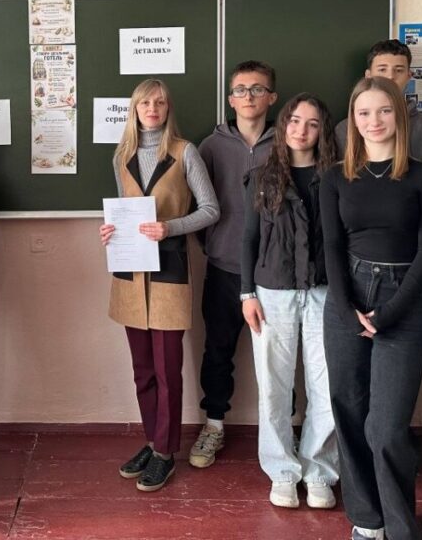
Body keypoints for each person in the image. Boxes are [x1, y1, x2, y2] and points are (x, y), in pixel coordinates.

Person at [320, 76, 422, 540]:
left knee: (388, 426)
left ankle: (400, 528)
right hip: (347, 297)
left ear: (400, 116)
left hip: (402, 299)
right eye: (364, 112)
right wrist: (345, 307)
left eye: (384, 111)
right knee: (349, 412)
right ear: (352, 120)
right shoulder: (335, 177)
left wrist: (389, 313)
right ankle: (367, 521)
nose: (375, 121)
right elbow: (332, 245)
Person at [99, 79, 220, 492]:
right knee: (143, 371)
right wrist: (110, 230)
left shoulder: (185, 152)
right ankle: (153, 442)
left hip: (170, 271)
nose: (152, 108)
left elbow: (211, 210)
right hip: (130, 274)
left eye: (160, 102)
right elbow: (123, 212)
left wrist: (170, 227)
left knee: (168, 371)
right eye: (145, 102)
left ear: (168, 109)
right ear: (134, 109)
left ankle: (166, 453)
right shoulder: (122, 156)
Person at [241, 93, 340, 510]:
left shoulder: (337, 177)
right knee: (273, 387)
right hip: (272, 293)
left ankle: (319, 471)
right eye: (295, 121)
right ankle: (281, 471)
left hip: (324, 292)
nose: (302, 130)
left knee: (327, 386)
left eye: (312, 124)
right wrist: (247, 293)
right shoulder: (262, 176)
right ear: (284, 125)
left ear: (322, 131)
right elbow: (249, 238)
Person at [189, 61, 278, 468]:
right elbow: (197, 207)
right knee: (218, 350)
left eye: (258, 89)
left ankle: (283, 430)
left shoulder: (287, 142)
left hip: (274, 272)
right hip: (224, 269)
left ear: (271, 97)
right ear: (230, 99)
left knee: (277, 358)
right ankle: (214, 424)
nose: (249, 96)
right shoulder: (210, 147)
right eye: (241, 90)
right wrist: (214, 246)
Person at [335, 39, 422, 161]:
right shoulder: (345, 129)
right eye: (382, 70)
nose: (390, 76)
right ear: (368, 75)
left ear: (408, 76)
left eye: (398, 70)